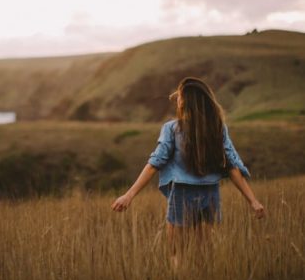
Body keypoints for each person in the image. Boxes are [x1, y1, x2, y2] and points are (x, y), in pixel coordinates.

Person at [110, 76, 265, 266]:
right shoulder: (218, 128)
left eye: (180, 95)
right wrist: (253, 201)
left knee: (177, 255)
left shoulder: (171, 129)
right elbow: (232, 166)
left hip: (183, 194)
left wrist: (128, 195)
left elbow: (154, 164)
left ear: (186, 101)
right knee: (205, 256)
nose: (177, 98)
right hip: (211, 193)